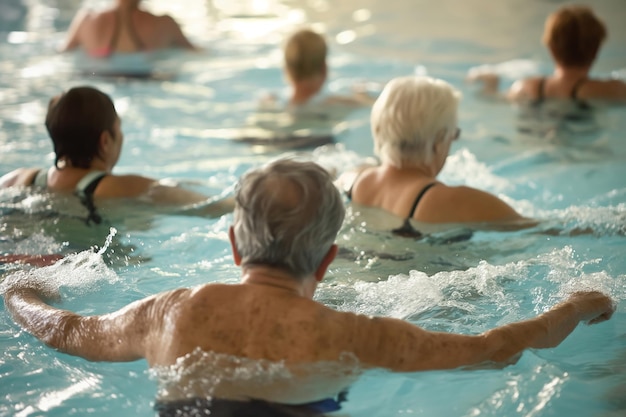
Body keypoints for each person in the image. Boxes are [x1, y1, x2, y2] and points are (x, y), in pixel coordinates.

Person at [3, 159, 615, 416]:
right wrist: (577, 303)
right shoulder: (354, 334)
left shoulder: (170, 313)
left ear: (236, 248)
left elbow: (67, 331)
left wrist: (21, 291)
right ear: (328, 261)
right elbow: (495, 346)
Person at [0, 86, 232, 224]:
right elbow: (212, 206)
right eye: (119, 129)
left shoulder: (18, 179)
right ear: (105, 141)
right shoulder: (122, 187)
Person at [339, 75, 529, 234]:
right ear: (439, 140)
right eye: (453, 134)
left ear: (378, 128)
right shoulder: (457, 201)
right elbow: (545, 231)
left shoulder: (351, 180)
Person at [469, 5, 626, 102]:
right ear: (597, 50)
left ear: (551, 48)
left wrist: (491, 82)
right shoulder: (611, 90)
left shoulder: (527, 87)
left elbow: (495, 99)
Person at [60, 0, 198, 57]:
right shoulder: (165, 24)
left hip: (99, 77)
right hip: (148, 80)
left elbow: (63, 54)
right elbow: (196, 53)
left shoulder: (86, 20)